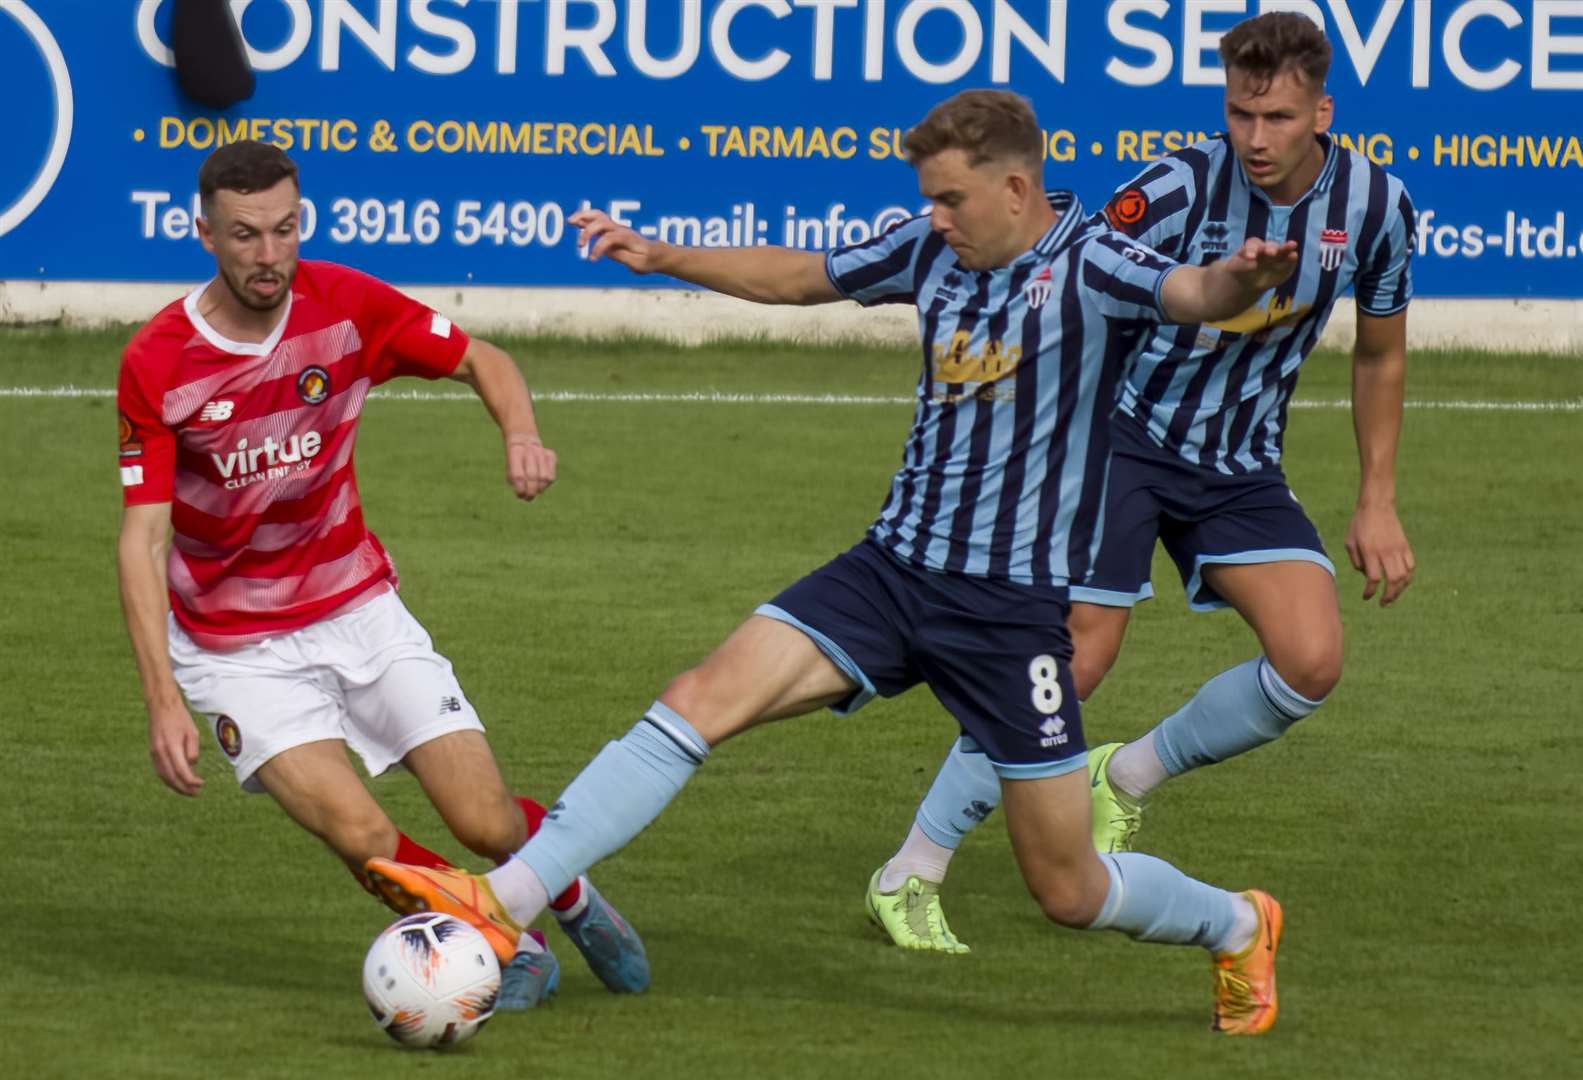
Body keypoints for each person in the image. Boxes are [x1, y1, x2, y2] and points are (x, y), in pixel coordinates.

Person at [364, 89, 1304, 1035]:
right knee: (699, 695)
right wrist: (658, 254)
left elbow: (1194, 293)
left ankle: (1235, 924)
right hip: (888, 573)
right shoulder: (929, 248)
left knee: (1067, 886)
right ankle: (506, 900)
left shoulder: (1094, 261)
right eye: (927, 199)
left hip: (1007, 617)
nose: (933, 217)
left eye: (951, 199)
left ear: (1016, 188)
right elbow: (797, 277)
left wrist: (1244, 280)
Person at [866, 12, 1417, 954]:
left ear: (1320, 111)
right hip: (1116, 438)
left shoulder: (1374, 207)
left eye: (1277, 117)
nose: (1254, 137)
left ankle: (1122, 779)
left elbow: (1379, 352)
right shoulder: (1174, 186)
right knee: (1072, 660)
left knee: (1311, 660)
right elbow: (1060, 255)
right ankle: (912, 868)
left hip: (1239, 462)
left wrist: (1375, 497)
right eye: (1240, 113)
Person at [115, 139, 649, 1009]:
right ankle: (495, 943)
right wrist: (163, 699)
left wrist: (518, 431)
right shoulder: (158, 362)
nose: (268, 255)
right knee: (361, 835)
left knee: (483, 821)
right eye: (245, 235)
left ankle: (569, 890)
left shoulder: (345, 304)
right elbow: (141, 539)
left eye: (284, 230)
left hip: (359, 609)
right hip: (235, 651)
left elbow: (486, 359)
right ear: (202, 231)